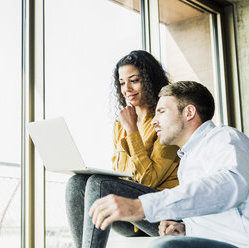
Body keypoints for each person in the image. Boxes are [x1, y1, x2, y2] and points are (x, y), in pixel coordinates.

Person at [89, 81, 249, 248]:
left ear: (189, 112)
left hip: (244, 244)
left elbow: (230, 186)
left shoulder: (224, 137)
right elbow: (211, 215)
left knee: (165, 246)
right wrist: (186, 229)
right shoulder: (186, 160)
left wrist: (142, 206)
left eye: (161, 111)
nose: (154, 121)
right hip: (214, 243)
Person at [65, 50, 180, 248]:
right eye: (122, 82)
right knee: (77, 183)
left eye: (134, 80)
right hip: (129, 218)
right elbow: (124, 175)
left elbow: (148, 180)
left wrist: (132, 130)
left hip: (160, 215)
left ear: (149, 80)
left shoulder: (164, 120)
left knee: (99, 184)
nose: (127, 88)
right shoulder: (120, 124)